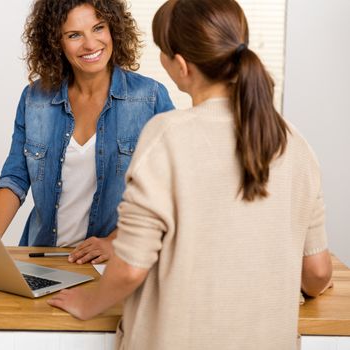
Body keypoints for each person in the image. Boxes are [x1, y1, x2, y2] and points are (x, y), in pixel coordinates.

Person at [47, 0, 333, 348]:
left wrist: (88, 303)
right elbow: (317, 273)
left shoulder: (167, 135)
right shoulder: (294, 142)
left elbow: (131, 267)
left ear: (180, 65)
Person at [0, 0, 174, 264]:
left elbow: (170, 188)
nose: (90, 44)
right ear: (55, 42)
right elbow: (15, 178)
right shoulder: (34, 99)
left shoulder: (150, 97)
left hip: (113, 261)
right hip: (44, 256)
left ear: (114, 29)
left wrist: (116, 241)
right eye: (74, 35)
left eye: (98, 28)